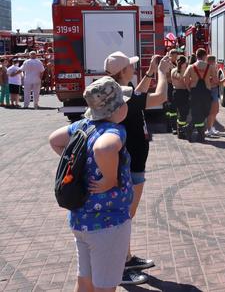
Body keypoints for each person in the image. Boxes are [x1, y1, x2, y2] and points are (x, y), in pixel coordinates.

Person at [48, 76, 143, 289]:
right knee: (105, 285)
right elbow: (104, 148)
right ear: (116, 109)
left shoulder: (81, 125)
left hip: (80, 220)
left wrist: (77, 164)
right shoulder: (113, 130)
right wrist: (110, 179)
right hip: (108, 223)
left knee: (85, 280)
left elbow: (54, 140)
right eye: (124, 103)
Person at [105, 51, 172, 283]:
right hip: (130, 166)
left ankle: (127, 256)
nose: (134, 68)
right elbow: (159, 97)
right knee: (124, 217)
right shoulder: (126, 99)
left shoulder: (119, 93)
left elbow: (139, 92)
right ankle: (120, 268)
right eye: (131, 66)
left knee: (125, 216)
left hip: (130, 163)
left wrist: (151, 72)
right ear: (123, 72)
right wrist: (163, 73)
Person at [184, 48, 214, 142]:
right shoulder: (209, 67)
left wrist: (189, 88)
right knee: (205, 112)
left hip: (194, 92)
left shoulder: (191, 67)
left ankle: (190, 128)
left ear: (196, 56)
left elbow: (185, 78)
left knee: (197, 112)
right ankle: (199, 135)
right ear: (205, 56)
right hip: (206, 93)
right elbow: (215, 79)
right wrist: (210, 82)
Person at [171, 56, 190, 139]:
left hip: (175, 92)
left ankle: (179, 129)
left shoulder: (173, 70)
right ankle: (181, 132)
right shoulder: (184, 72)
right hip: (183, 93)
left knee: (179, 112)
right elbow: (186, 83)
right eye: (186, 62)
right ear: (183, 63)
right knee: (183, 113)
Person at [206, 55, 224, 137]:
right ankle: (209, 129)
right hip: (212, 90)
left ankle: (211, 128)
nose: (216, 62)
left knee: (215, 111)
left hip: (213, 90)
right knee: (213, 111)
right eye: (215, 61)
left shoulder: (210, 68)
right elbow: (216, 82)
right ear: (212, 61)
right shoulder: (210, 68)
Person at [164, 49, 179, 134]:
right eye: (175, 56)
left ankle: (171, 126)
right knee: (171, 108)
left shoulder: (174, 63)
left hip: (172, 87)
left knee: (172, 108)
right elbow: (167, 77)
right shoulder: (168, 64)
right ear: (172, 55)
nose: (176, 57)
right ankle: (171, 127)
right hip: (169, 87)